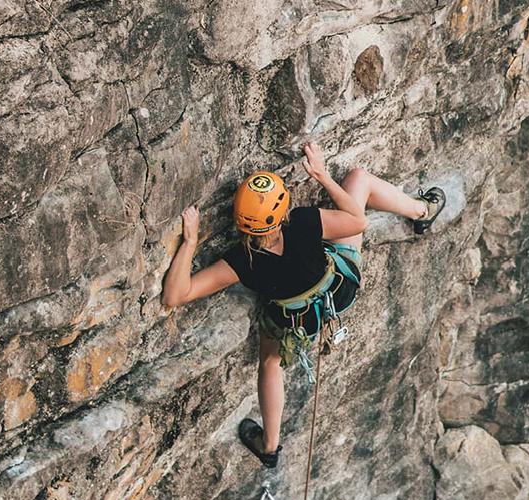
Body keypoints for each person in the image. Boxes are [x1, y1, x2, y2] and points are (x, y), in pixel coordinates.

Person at [161, 142, 445, 468]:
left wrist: (191, 242)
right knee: (359, 179)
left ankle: (269, 445)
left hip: (298, 323)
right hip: (339, 292)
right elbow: (357, 221)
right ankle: (421, 211)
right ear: (281, 212)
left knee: (270, 362)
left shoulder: (240, 262)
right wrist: (323, 176)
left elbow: (175, 296)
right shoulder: (302, 222)